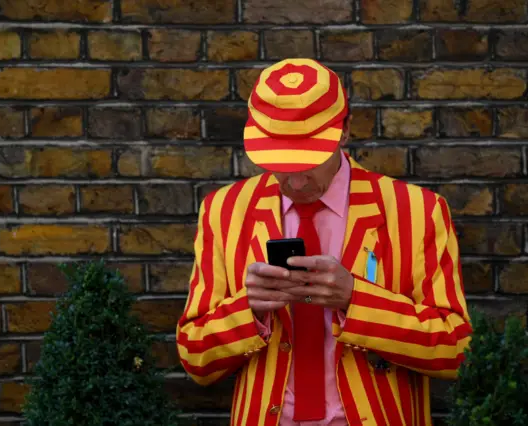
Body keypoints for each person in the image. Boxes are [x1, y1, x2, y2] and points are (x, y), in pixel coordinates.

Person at [177, 58, 472, 426]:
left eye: (310, 161)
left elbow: (456, 349)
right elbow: (194, 358)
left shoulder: (418, 211)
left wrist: (356, 299)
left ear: (345, 130)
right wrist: (248, 310)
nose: (296, 182)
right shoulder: (224, 211)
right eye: (280, 164)